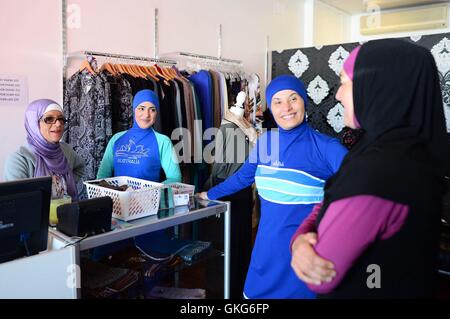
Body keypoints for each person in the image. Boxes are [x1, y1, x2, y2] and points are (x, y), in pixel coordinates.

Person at [290, 39, 449, 298]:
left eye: (344, 83)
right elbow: (334, 200)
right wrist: (300, 238)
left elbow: (321, 276)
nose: (338, 94)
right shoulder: (405, 151)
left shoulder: (379, 170)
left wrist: (300, 243)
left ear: (377, 86)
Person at [199, 75, 348, 299]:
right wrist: (209, 193)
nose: (286, 107)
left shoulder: (328, 148)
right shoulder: (266, 143)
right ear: (271, 107)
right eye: (277, 101)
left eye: (293, 98)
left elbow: (361, 194)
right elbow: (242, 178)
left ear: (304, 102)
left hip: (303, 260)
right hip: (264, 257)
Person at [94, 89, 181, 259]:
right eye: (141, 108)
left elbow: (175, 178)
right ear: (134, 109)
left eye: (152, 109)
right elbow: (102, 176)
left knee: (152, 263)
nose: (146, 114)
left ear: (156, 113)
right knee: (101, 260)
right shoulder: (117, 139)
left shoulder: (163, 141)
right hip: (117, 215)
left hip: (147, 214)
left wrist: (146, 192)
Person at [203, 91, 258, 299]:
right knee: (235, 244)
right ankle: (232, 289)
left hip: (228, 189)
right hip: (236, 191)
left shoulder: (230, 126)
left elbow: (219, 167)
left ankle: (228, 290)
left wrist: (209, 189)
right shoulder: (238, 127)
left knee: (229, 245)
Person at [4, 99, 84, 200]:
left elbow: (80, 167)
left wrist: (67, 184)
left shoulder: (66, 150)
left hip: (68, 212)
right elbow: (17, 203)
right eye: (49, 119)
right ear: (34, 123)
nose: (58, 124)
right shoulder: (19, 160)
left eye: (61, 119)